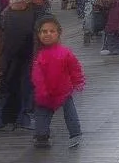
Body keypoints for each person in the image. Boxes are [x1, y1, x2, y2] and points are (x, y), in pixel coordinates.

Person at [31, 15, 85, 149]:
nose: (48, 34)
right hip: (45, 93)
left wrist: (78, 82)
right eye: (44, 31)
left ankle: (75, 133)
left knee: (70, 114)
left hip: (63, 90)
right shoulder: (39, 55)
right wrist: (42, 91)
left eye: (51, 31)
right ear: (38, 34)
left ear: (58, 33)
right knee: (42, 116)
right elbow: (37, 76)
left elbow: (75, 69)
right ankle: (41, 136)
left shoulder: (65, 53)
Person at [0, 0, 39, 131]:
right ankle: (3, 118)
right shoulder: (6, 14)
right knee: (7, 87)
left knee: (23, 87)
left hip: (26, 56)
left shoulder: (31, 13)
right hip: (10, 57)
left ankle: (18, 117)